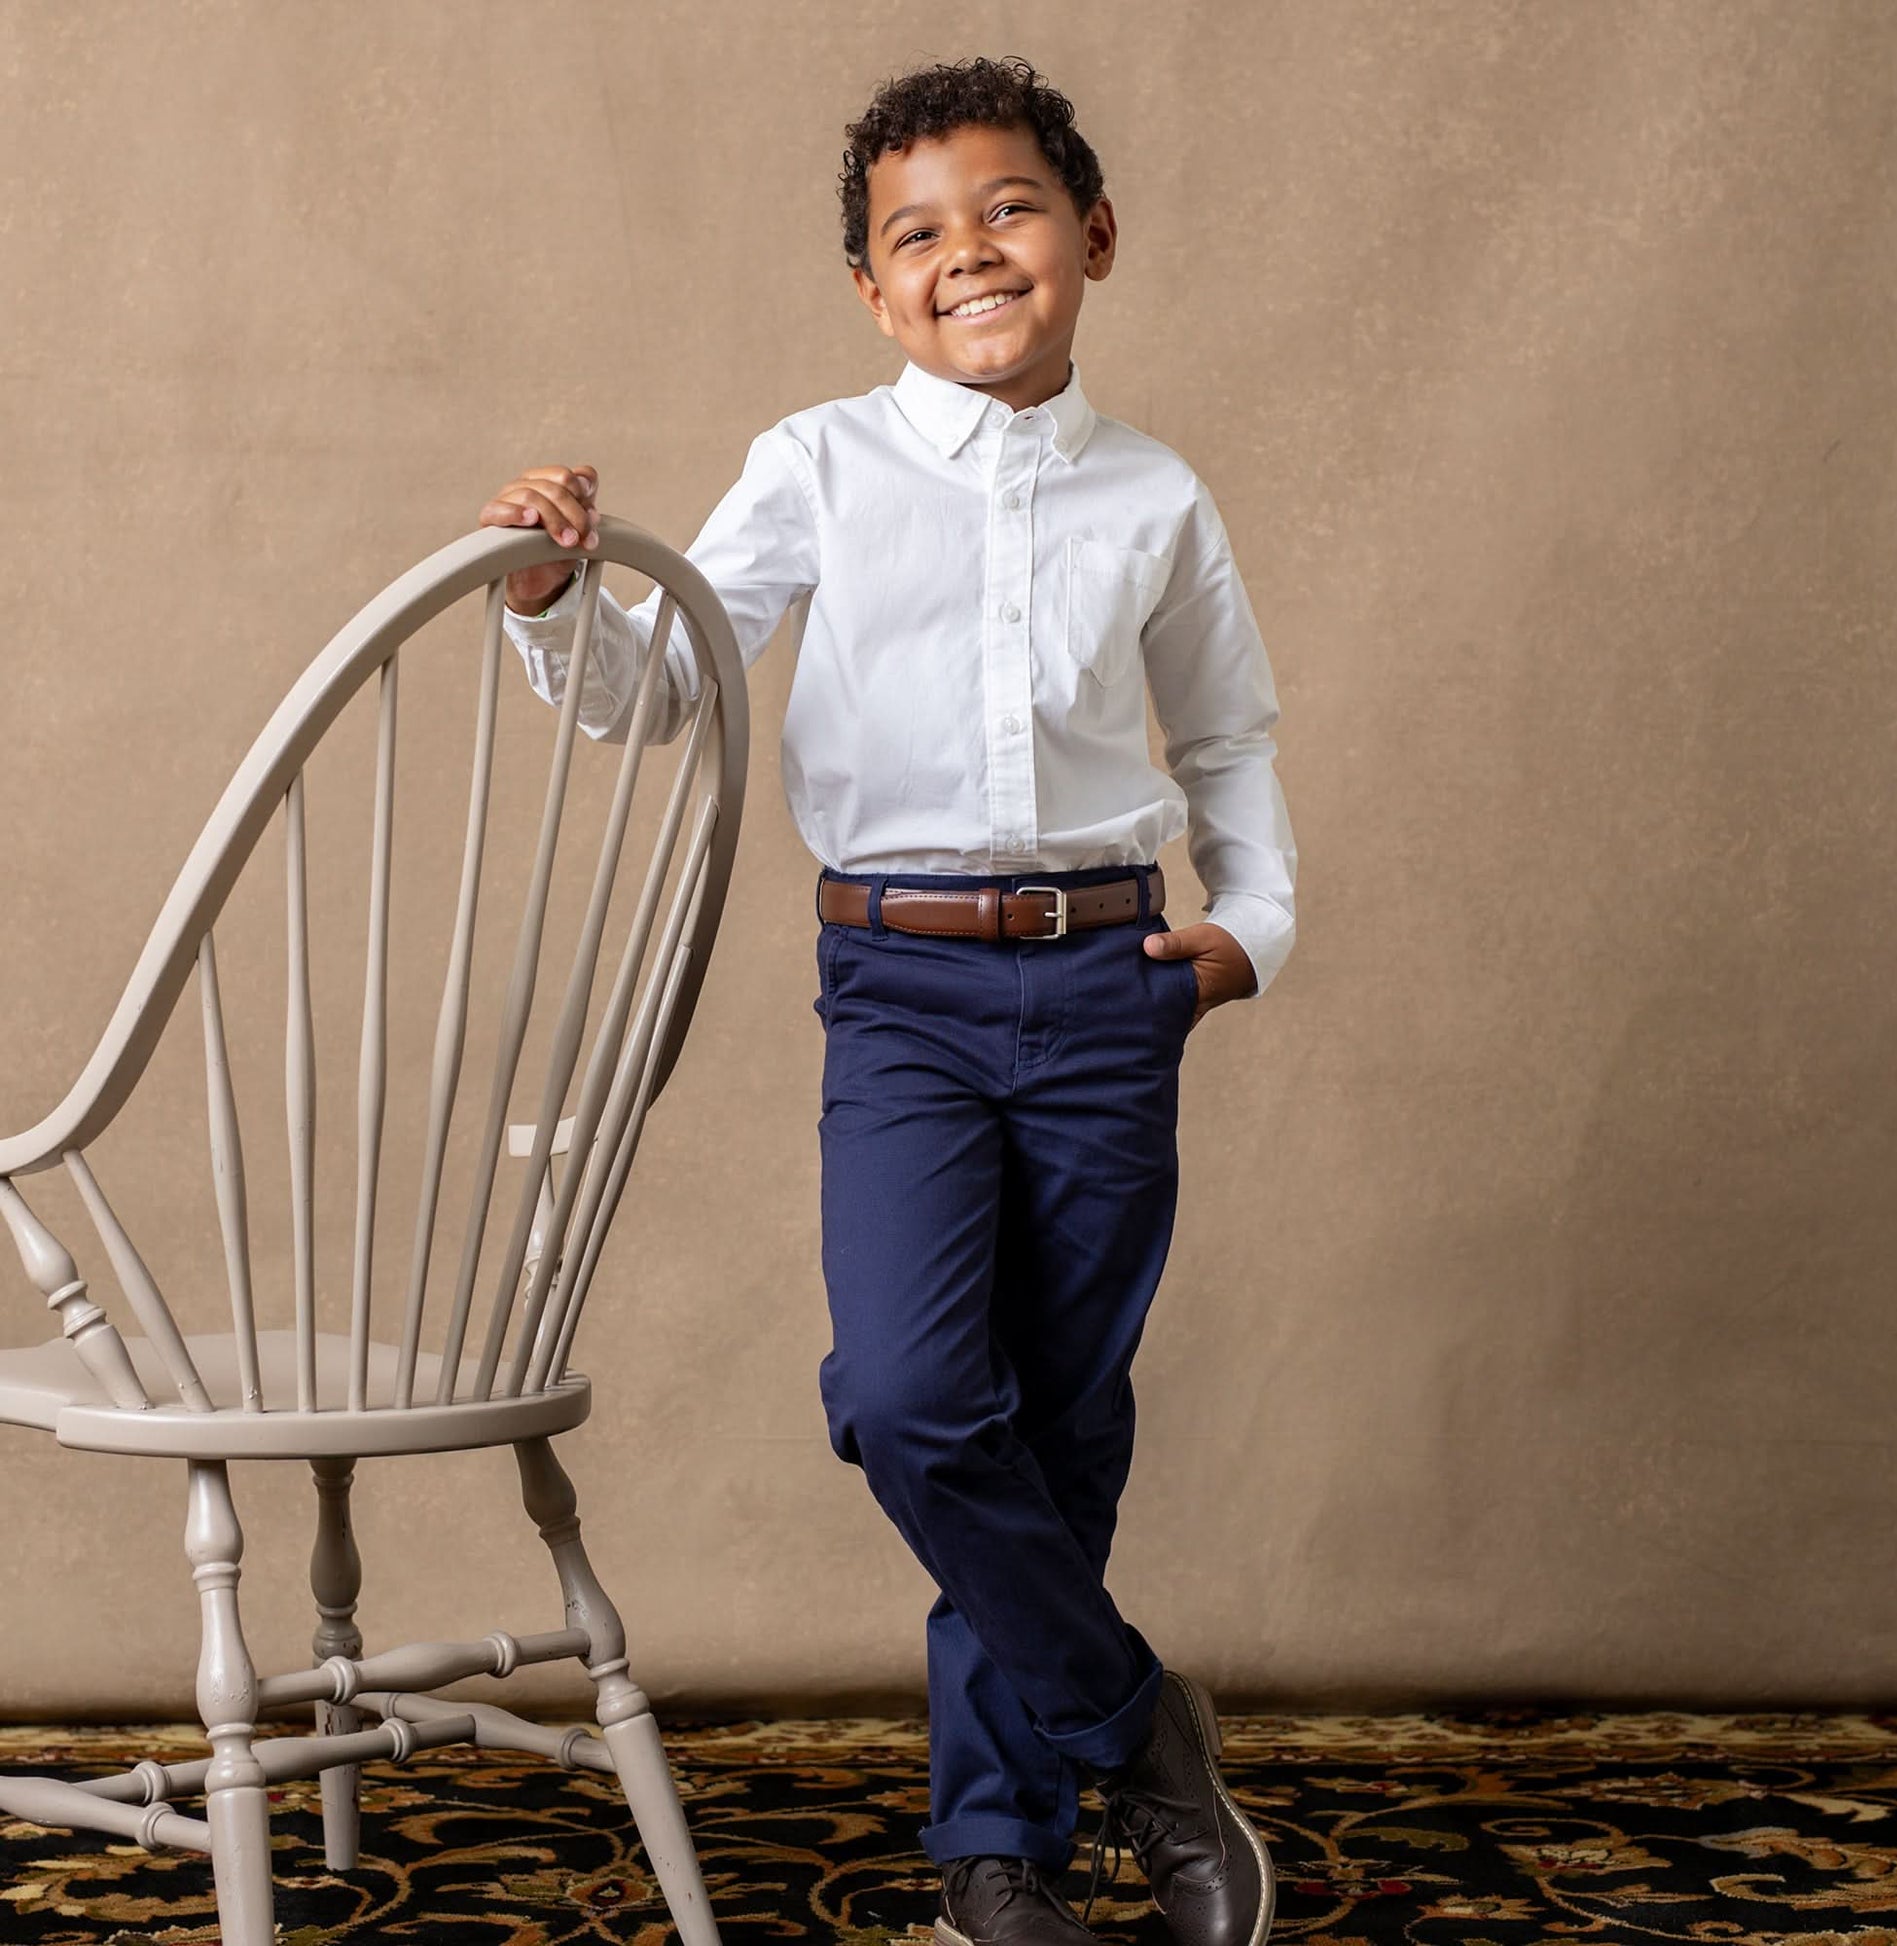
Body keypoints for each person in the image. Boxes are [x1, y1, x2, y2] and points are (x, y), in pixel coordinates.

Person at [481, 54, 1295, 1946]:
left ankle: (992, 1857)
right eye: (913, 234)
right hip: (904, 994)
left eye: (1008, 209)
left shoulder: (1156, 496)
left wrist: (1255, 922)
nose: (967, 253)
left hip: (1108, 982)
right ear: (870, 289)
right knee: (922, 1398)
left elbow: (1230, 733)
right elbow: (662, 684)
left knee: (1063, 1425)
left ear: (1091, 236)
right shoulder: (813, 466)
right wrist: (553, 604)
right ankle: (1143, 1732)